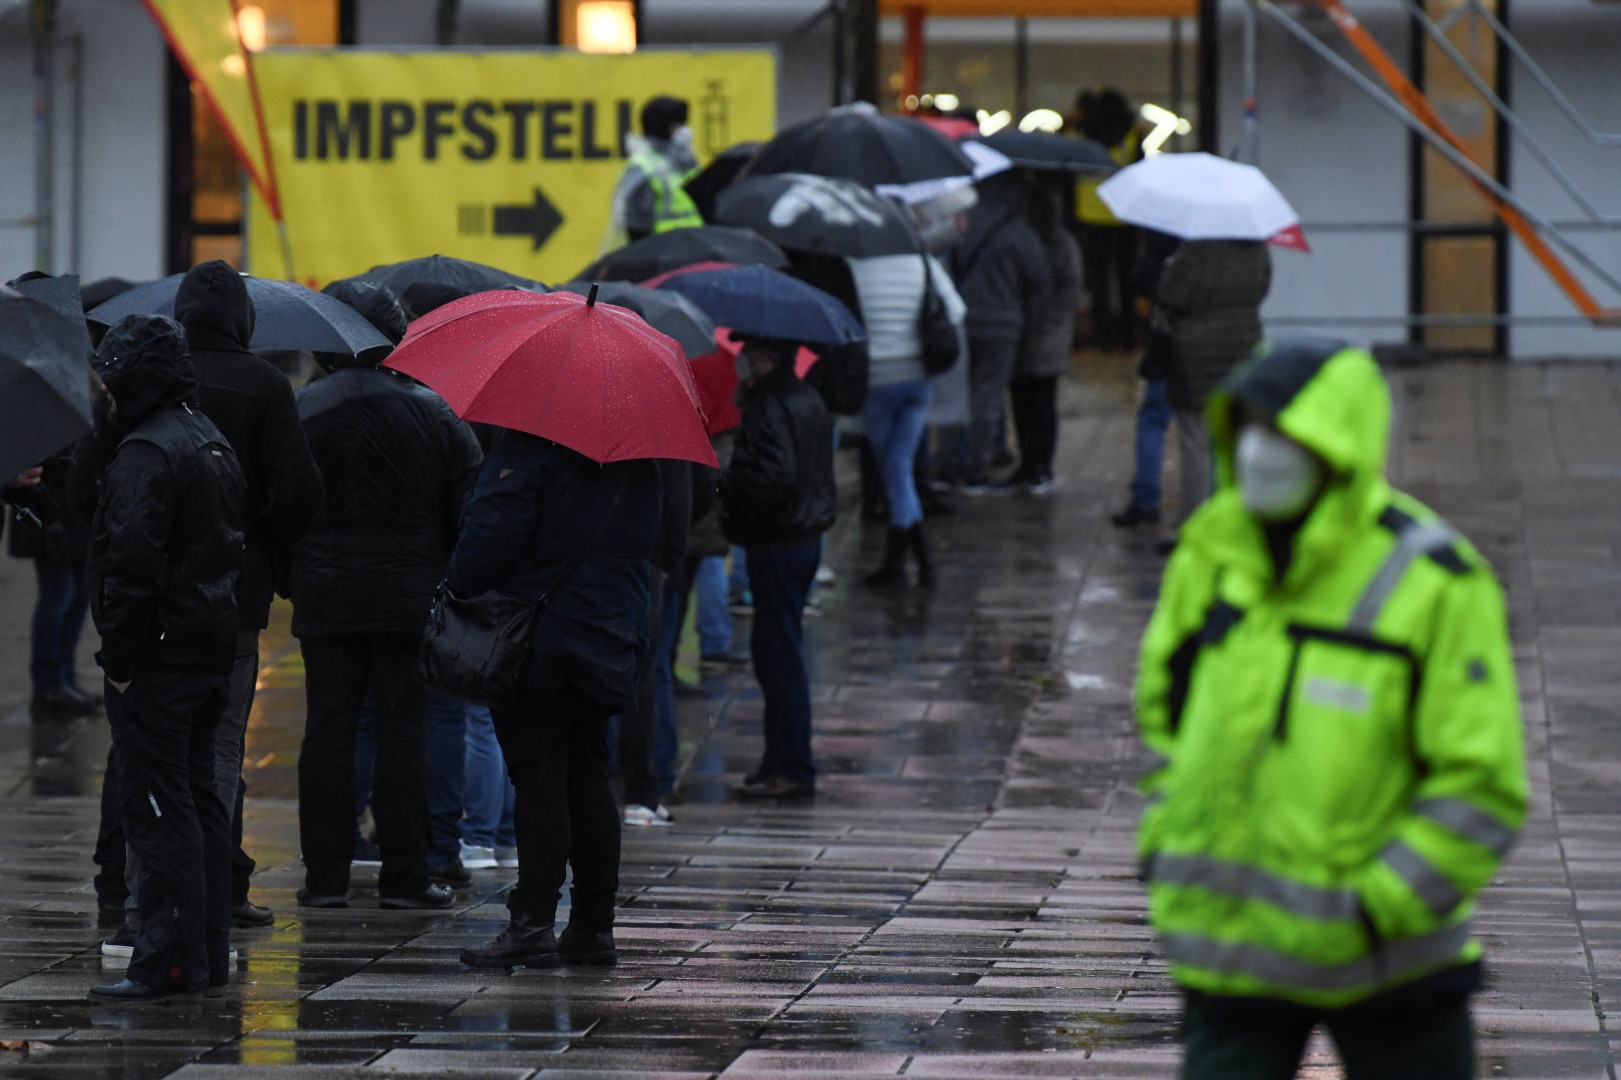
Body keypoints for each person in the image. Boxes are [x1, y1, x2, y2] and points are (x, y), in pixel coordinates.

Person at [1135, 338, 1526, 1079]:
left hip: (1393, 973)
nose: (1258, 453)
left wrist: (1375, 910)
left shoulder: (1433, 580)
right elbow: (1165, 715)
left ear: (1335, 442)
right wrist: (1164, 834)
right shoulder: (1209, 552)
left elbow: (1480, 784)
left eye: (1282, 432)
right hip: (1231, 956)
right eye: (1246, 428)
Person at [290, 281, 481, 910]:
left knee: (328, 730)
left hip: (325, 594)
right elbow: (466, 515)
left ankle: (325, 877)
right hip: (408, 595)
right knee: (406, 731)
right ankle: (405, 874)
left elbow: (276, 505)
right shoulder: (436, 412)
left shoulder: (304, 408)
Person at [450, 430, 662, 970]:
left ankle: (533, 923)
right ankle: (594, 926)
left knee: (539, 778)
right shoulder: (638, 454)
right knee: (588, 771)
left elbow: (481, 550)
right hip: (612, 633)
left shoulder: (527, 452)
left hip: (540, 638)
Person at [85, 315, 246, 1002]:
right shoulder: (208, 440)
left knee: (159, 808)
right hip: (207, 646)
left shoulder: (146, 453)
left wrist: (120, 659)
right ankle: (202, 953)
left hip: (160, 660)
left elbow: (131, 564)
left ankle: (164, 960)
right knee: (200, 800)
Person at [174, 260, 324, 928]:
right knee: (221, 741)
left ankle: (138, 886)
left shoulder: (155, 375)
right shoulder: (264, 384)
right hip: (235, 591)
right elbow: (298, 492)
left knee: (151, 742)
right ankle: (219, 884)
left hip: (155, 592)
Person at [722, 336, 836, 800]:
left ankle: (791, 765)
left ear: (765, 355)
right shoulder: (805, 395)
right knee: (775, 652)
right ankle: (779, 759)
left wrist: (728, 484)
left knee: (779, 655)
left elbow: (773, 475)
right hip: (800, 537)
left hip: (778, 539)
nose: (742, 355)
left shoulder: (772, 403)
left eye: (748, 348)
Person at [848, 247, 965, 587]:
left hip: (877, 381)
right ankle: (915, 562)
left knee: (895, 471)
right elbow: (956, 309)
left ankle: (905, 564)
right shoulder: (922, 262)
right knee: (900, 471)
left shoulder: (857, 264)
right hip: (917, 379)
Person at [1155, 239, 1272, 526]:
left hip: (1196, 354)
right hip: (1243, 351)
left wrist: (1169, 270)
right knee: (1233, 439)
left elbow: (1171, 296)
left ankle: (1195, 523)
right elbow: (1262, 291)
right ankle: (1234, 515)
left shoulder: (1196, 250)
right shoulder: (1257, 251)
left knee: (1195, 443)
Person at [952, 172, 1050, 494]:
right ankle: (976, 467)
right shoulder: (1017, 231)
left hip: (962, 318)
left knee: (960, 394)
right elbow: (1038, 277)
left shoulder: (965, 224)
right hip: (1002, 323)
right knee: (987, 395)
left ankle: (950, 462)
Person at [6, 449, 97, 714]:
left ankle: (65, 678)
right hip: (49, 515)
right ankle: (49, 684)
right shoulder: (37, 423)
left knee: (78, 595)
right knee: (58, 597)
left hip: (76, 512)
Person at [1008, 179, 1083, 496]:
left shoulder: (1060, 244)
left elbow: (1069, 287)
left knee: (1041, 402)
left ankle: (1040, 464)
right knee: (1025, 402)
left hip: (1044, 334)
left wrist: (1046, 317)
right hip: (1028, 332)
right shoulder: (1025, 240)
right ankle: (1030, 462)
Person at [1112, 229, 1181, 528]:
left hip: (1169, 349)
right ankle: (1208, 502)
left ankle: (1145, 500)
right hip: (1214, 353)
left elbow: (1141, 277)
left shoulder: (1166, 240)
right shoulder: (1226, 245)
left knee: (1153, 421)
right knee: (1202, 433)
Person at [1072, 86, 1146, 352]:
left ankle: (1103, 338)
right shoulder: (1132, 136)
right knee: (1127, 281)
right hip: (1124, 217)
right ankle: (1127, 337)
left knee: (1099, 284)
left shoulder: (1081, 136)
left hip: (1089, 217)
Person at [605, 95, 702, 248]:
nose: (685, 130)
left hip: (694, 248)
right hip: (662, 251)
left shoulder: (686, 162)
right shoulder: (643, 167)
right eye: (677, 124)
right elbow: (636, 226)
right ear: (662, 126)